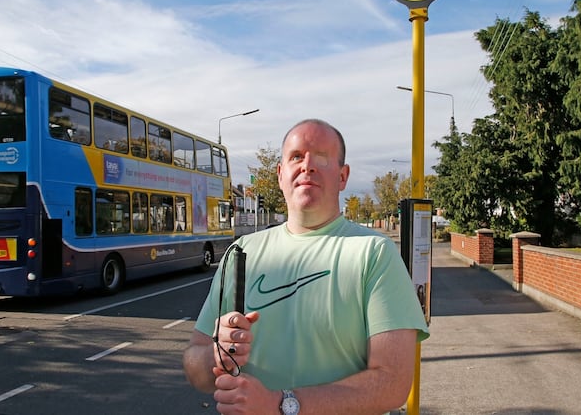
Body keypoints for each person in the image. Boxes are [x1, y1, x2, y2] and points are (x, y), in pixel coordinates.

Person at [182, 119, 429, 414]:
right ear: (280, 174)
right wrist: (216, 355)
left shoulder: (374, 253)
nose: (307, 166)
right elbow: (195, 367)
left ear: (342, 176)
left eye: (321, 157)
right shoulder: (241, 252)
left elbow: (392, 383)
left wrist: (282, 405)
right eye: (296, 156)